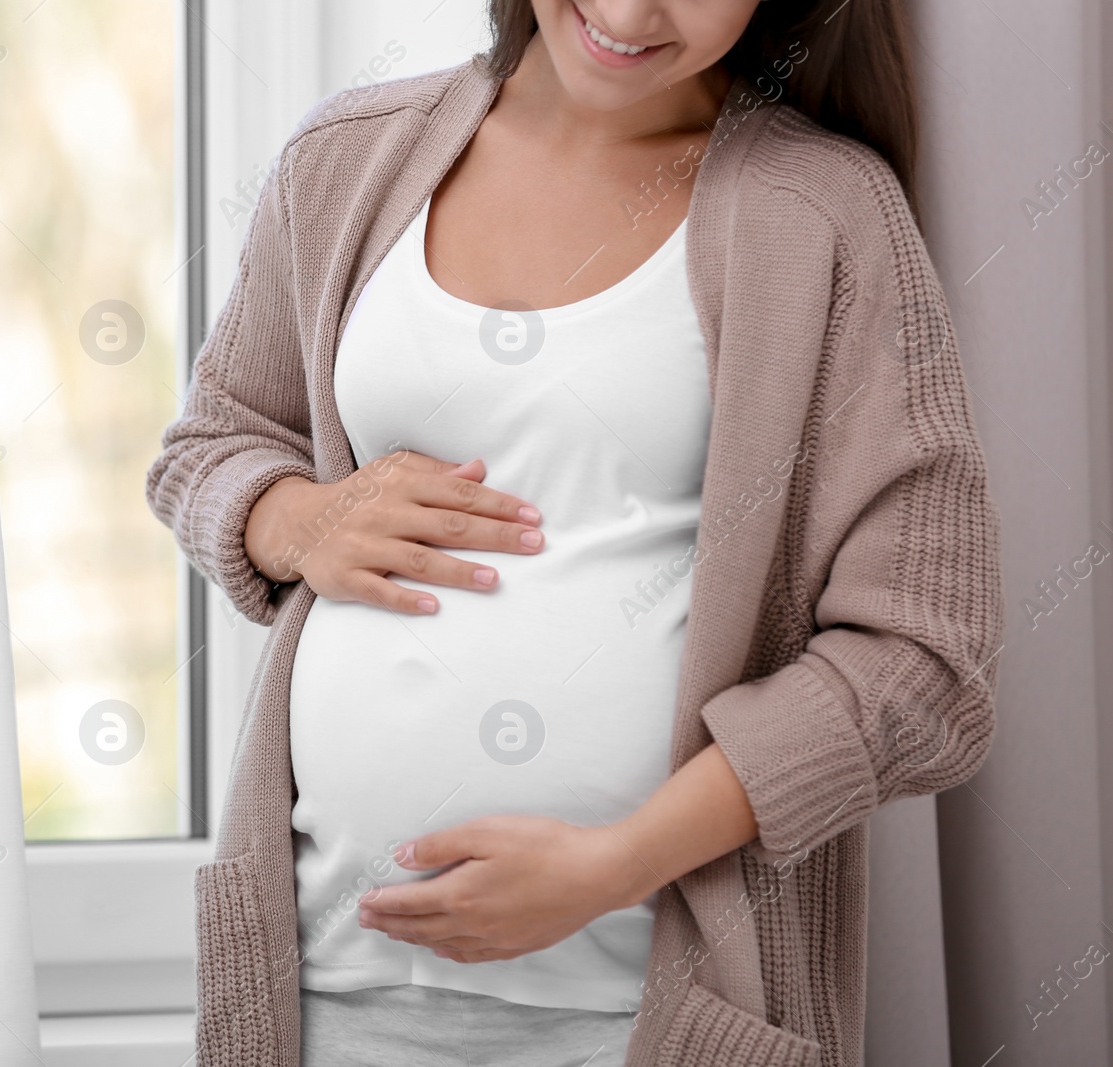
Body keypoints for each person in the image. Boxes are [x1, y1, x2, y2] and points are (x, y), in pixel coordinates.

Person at [145, 1, 1003, 1064]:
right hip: (321, 993)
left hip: (643, 1016)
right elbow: (210, 444)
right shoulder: (342, 161)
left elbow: (924, 661)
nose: (633, 9)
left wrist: (621, 859)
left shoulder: (820, 214)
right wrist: (293, 516)